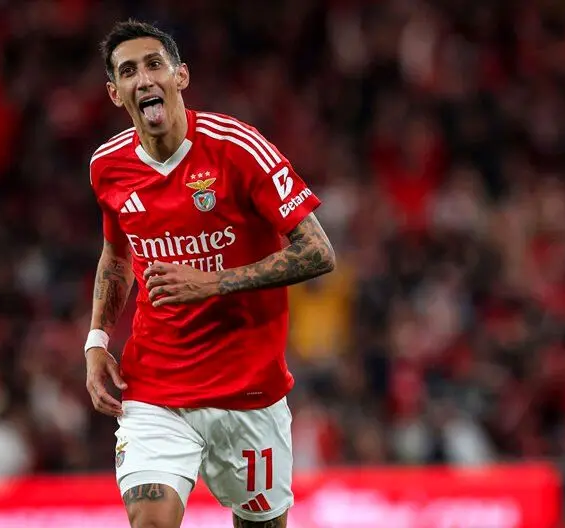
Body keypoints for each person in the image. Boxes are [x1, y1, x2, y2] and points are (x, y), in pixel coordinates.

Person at [84, 19, 335, 528]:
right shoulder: (107, 166)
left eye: (154, 64)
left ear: (181, 76)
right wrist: (96, 341)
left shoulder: (238, 148)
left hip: (248, 390)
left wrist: (213, 283)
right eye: (128, 71)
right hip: (155, 387)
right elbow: (116, 256)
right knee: (150, 520)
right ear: (115, 93)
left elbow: (318, 252)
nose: (144, 79)